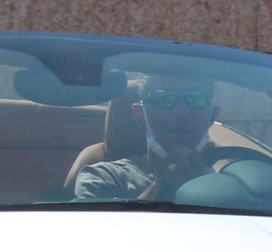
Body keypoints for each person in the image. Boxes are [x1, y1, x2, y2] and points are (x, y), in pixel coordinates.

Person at [70, 72, 226, 202]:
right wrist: (161, 185)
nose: (181, 112)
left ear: (212, 116)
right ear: (140, 116)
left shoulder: (231, 184)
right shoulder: (103, 178)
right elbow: (96, 235)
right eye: (164, 99)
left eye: (196, 99)